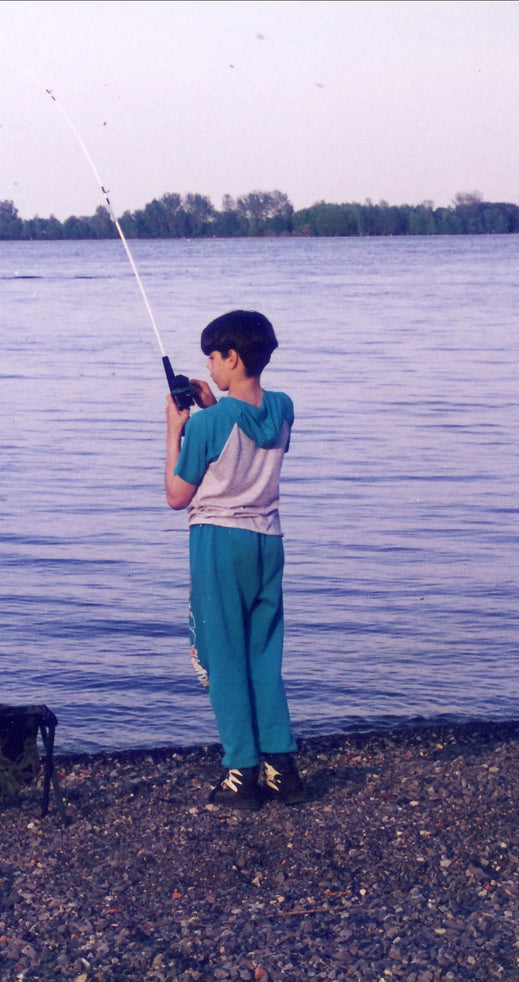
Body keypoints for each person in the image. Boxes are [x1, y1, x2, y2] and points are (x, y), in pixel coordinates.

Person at [164, 309, 305, 810]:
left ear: (233, 356)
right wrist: (213, 403)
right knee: (264, 656)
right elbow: (248, 419)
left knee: (222, 658)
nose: (209, 365)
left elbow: (177, 496)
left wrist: (175, 430)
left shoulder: (208, 424)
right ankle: (279, 769)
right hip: (268, 541)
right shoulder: (284, 407)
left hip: (220, 543)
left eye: (214, 357)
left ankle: (241, 772)